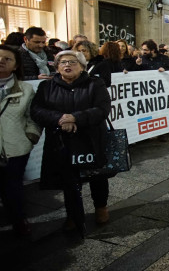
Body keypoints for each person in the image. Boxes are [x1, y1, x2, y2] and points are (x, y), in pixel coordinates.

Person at [31, 51, 111, 237]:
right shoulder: (46, 86)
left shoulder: (95, 84)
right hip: (61, 141)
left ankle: (101, 207)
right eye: (63, 62)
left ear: (82, 66)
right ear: (57, 67)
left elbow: (102, 109)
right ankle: (73, 214)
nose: (67, 65)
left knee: (97, 175)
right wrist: (60, 119)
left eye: (73, 62)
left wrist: (76, 118)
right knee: (68, 179)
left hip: (91, 139)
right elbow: (36, 111)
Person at [0, 45, 41, 236]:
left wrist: (30, 137)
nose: (1, 61)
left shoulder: (25, 89)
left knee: (13, 187)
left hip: (15, 148)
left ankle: (19, 219)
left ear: (16, 66)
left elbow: (32, 117)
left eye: (7, 59)